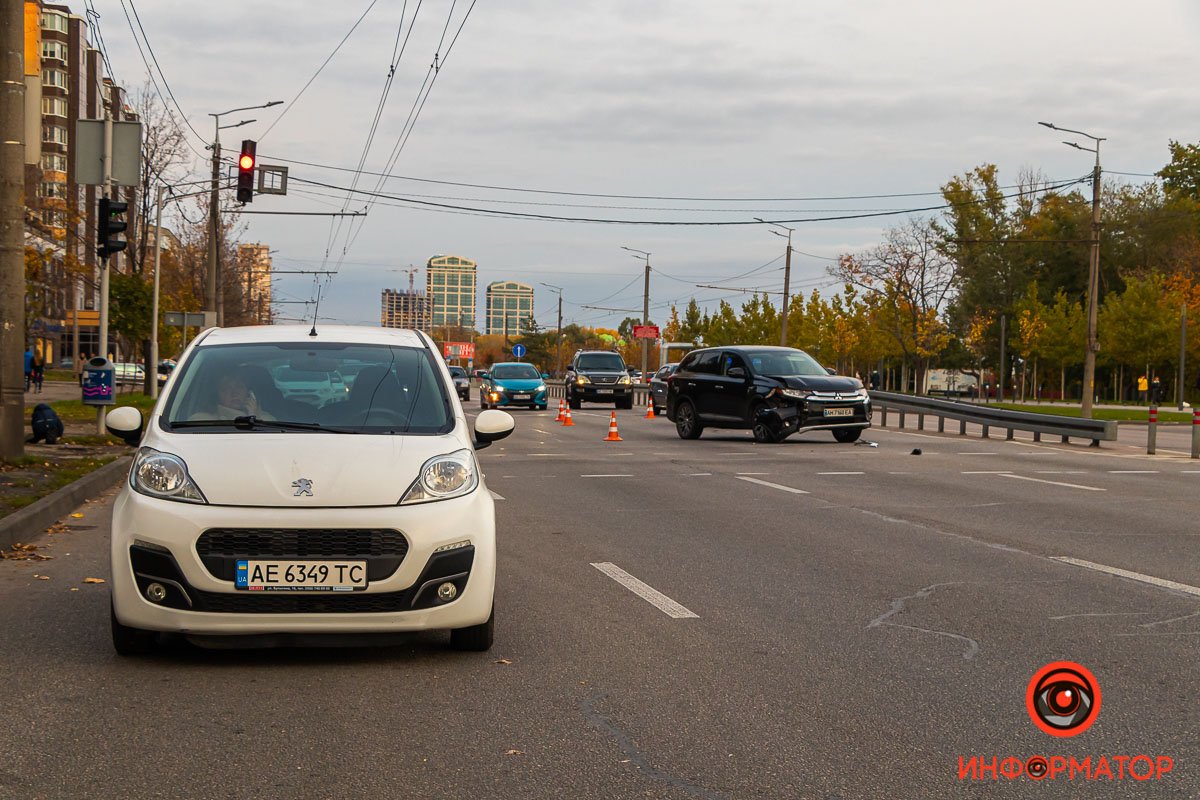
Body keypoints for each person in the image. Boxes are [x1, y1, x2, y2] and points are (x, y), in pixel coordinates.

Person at [190, 372, 271, 420]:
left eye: (239, 387)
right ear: (216, 395)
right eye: (226, 388)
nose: (234, 393)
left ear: (249, 393)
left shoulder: (268, 421)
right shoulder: (201, 421)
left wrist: (254, 418)